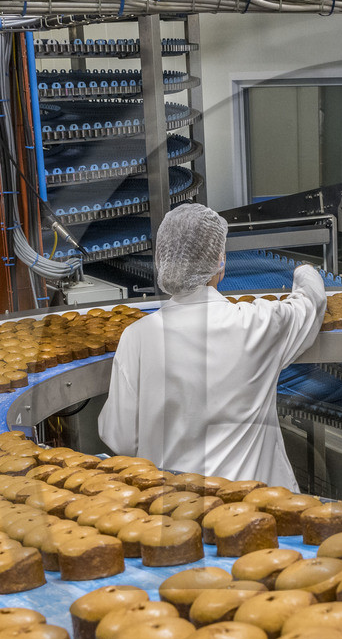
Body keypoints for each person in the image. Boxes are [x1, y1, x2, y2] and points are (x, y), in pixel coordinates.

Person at [98, 203, 326, 490]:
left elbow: (119, 437)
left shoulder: (136, 337)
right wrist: (306, 271)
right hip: (256, 507)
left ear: (163, 261)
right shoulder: (256, 324)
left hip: (175, 511)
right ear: (219, 262)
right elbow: (310, 304)